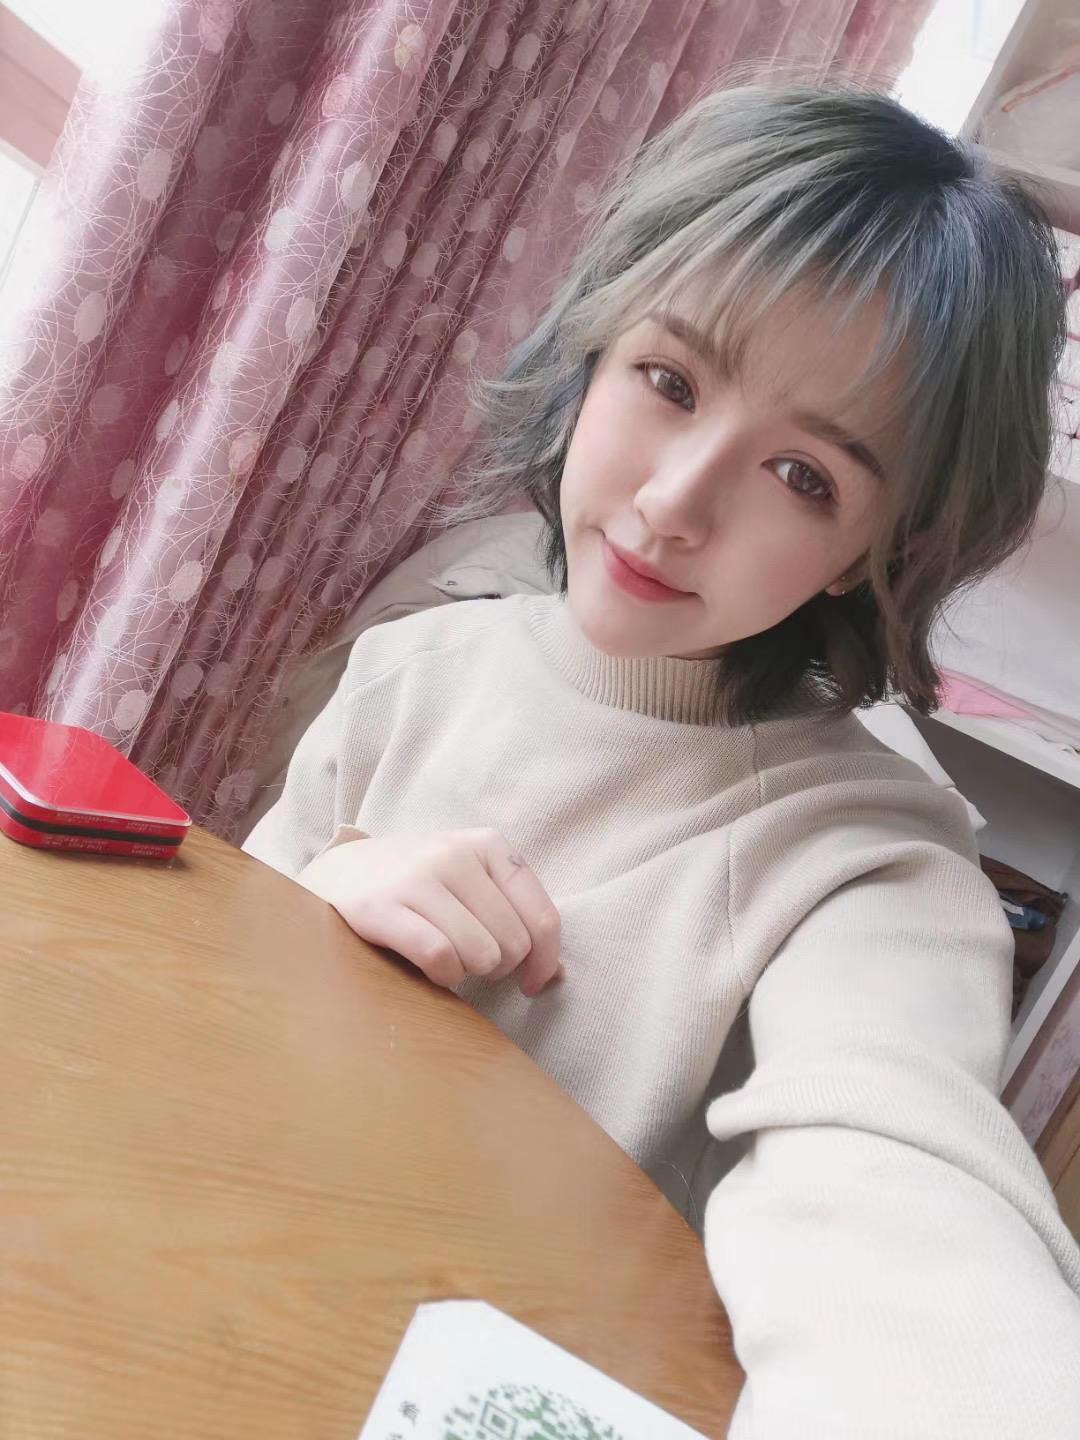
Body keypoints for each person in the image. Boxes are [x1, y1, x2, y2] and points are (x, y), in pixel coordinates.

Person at [244, 81, 1080, 1435]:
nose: (674, 502)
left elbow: (900, 1206)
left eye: (804, 476)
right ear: (598, 343)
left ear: (871, 551)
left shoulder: (869, 867)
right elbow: (205, 997)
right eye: (671, 381)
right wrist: (313, 905)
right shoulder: (418, 666)